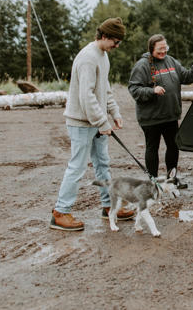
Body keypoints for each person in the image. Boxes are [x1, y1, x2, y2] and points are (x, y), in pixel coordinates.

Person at [50, 17, 135, 231]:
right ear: (104, 36)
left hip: (95, 122)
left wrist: (114, 112)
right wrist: (101, 121)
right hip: (81, 122)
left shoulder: (103, 56)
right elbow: (85, 95)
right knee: (77, 166)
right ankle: (60, 212)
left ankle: (109, 207)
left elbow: (104, 89)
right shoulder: (88, 57)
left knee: (103, 163)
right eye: (115, 41)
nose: (117, 46)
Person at [128, 34, 193, 189]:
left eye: (165, 48)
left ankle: (172, 179)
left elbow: (186, 77)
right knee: (152, 148)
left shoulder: (171, 61)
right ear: (151, 49)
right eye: (160, 49)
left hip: (170, 115)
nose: (163, 52)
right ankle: (153, 183)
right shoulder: (142, 65)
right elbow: (134, 89)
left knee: (173, 146)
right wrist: (152, 90)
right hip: (151, 118)